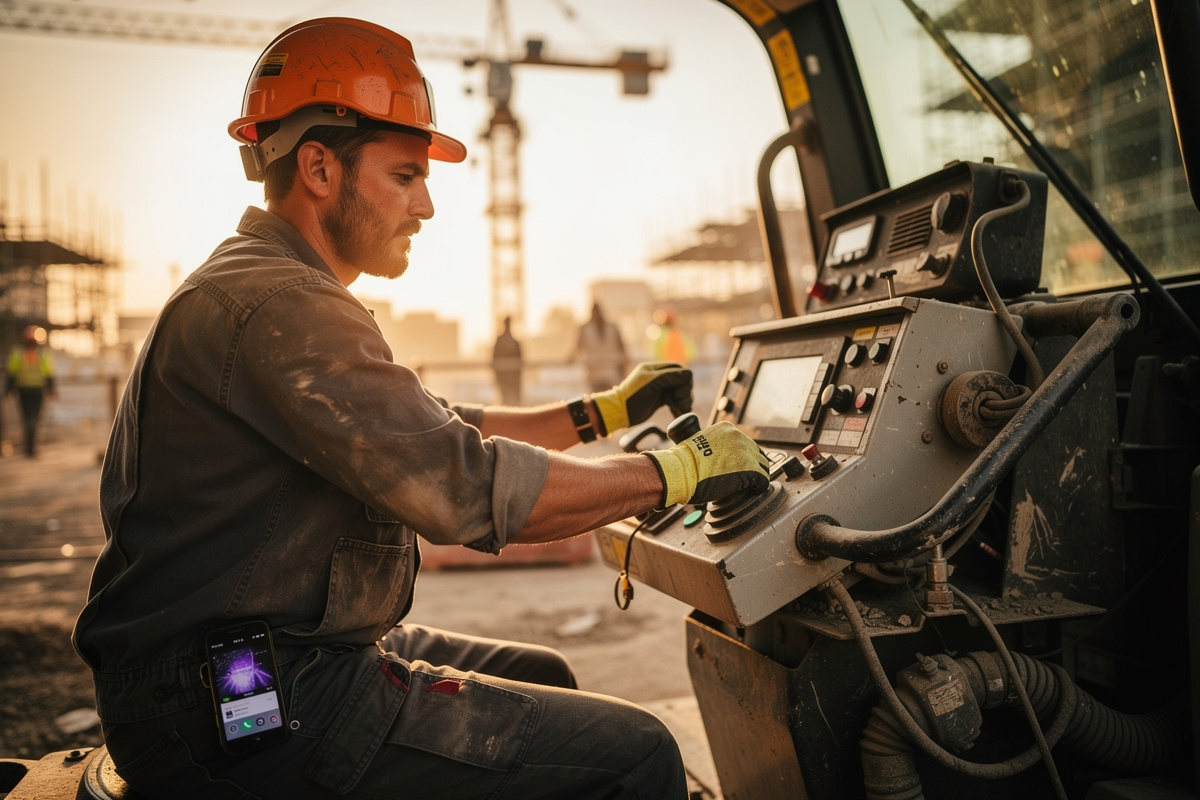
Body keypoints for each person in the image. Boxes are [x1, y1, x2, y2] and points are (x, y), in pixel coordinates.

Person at [71, 17, 769, 800]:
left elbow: (436, 427)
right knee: (638, 753)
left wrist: (601, 412)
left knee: (546, 674)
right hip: (240, 698)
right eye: (406, 176)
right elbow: (465, 485)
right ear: (319, 169)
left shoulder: (270, 286)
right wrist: (676, 470)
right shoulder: (279, 304)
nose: (426, 206)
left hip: (251, 656)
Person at [5, 325, 55, 457]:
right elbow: (48, 373)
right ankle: (31, 448)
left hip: (23, 390)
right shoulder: (42, 353)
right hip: (36, 391)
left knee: (27, 419)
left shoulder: (17, 352)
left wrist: (8, 390)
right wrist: (51, 389)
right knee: (34, 419)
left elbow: (11, 373)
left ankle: (29, 448)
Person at [575, 301, 628, 393]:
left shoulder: (612, 327)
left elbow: (621, 347)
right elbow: (577, 347)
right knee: (596, 401)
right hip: (594, 371)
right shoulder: (584, 328)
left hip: (612, 370)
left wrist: (624, 364)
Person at [491, 315, 523, 405]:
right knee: (504, 397)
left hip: (512, 377)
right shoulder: (502, 340)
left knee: (511, 398)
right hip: (504, 377)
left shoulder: (515, 342)